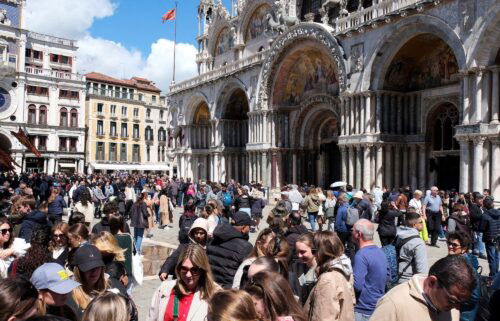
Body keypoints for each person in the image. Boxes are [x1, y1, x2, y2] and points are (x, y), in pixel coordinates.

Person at [370, 255, 476, 321]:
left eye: (461, 303)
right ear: (432, 282)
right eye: (452, 301)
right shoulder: (393, 304)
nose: (456, 307)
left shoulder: (453, 306)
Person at [147, 244, 219, 321]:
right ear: (178, 268)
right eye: (184, 269)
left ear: (203, 270)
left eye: (194, 270)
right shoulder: (164, 289)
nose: (188, 275)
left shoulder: (214, 294)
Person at [305, 231, 355, 321]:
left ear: (322, 252)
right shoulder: (345, 270)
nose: (313, 255)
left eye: (314, 251)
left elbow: (323, 317)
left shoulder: (327, 279)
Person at [352, 219, 388, 321]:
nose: (351, 232)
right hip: (377, 305)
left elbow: (357, 285)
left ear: (359, 234)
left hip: (362, 308)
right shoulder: (381, 252)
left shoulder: (361, 255)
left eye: (353, 230)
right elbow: (387, 276)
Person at [207, 211, 253, 288]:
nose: (250, 229)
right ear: (244, 228)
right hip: (229, 291)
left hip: (210, 286)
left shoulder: (214, 238)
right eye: (249, 226)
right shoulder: (246, 247)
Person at [67, 245, 109, 319]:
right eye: (89, 268)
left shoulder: (111, 287)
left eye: (97, 266)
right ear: (78, 271)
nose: (94, 272)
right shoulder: (69, 296)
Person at [446, 231, 481, 321]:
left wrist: (453, 297)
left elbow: (475, 296)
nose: (450, 247)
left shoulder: (468, 268)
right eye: (448, 243)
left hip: (463, 316)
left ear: (464, 249)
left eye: (454, 245)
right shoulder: (453, 261)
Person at [395, 211, 428, 284]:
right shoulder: (418, 243)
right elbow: (422, 271)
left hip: (395, 275)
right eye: (421, 222)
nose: (423, 224)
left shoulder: (397, 234)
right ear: (414, 225)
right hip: (408, 281)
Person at [108, 212, 134, 282]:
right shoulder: (129, 237)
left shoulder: (111, 238)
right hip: (128, 272)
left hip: (116, 273)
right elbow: (134, 252)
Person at [294, 232, 317, 305]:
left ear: (313, 249)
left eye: (302, 252)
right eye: (297, 252)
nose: (299, 255)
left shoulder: (321, 269)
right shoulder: (296, 266)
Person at [481, 197, 500, 278]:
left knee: (492, 258)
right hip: (497, 237)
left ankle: (493, 275)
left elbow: (481, 228)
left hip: (490, 238)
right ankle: (495, 273)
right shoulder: (499, 213)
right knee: (496, 256)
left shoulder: (485, 215)